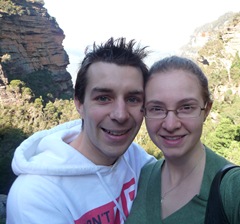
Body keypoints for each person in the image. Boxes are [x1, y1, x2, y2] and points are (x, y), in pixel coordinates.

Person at [6, 37, 156, 224]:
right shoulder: (36, 196)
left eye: (133, 99)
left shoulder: (135, 158)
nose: (120, 115)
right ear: (79, 103)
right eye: (103, 98)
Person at [126, 56, 240, 223]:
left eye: (186, 107)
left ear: (206, 110)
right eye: (157, 108)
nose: (171, 125)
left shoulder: (231, 188)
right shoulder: (142, 175)